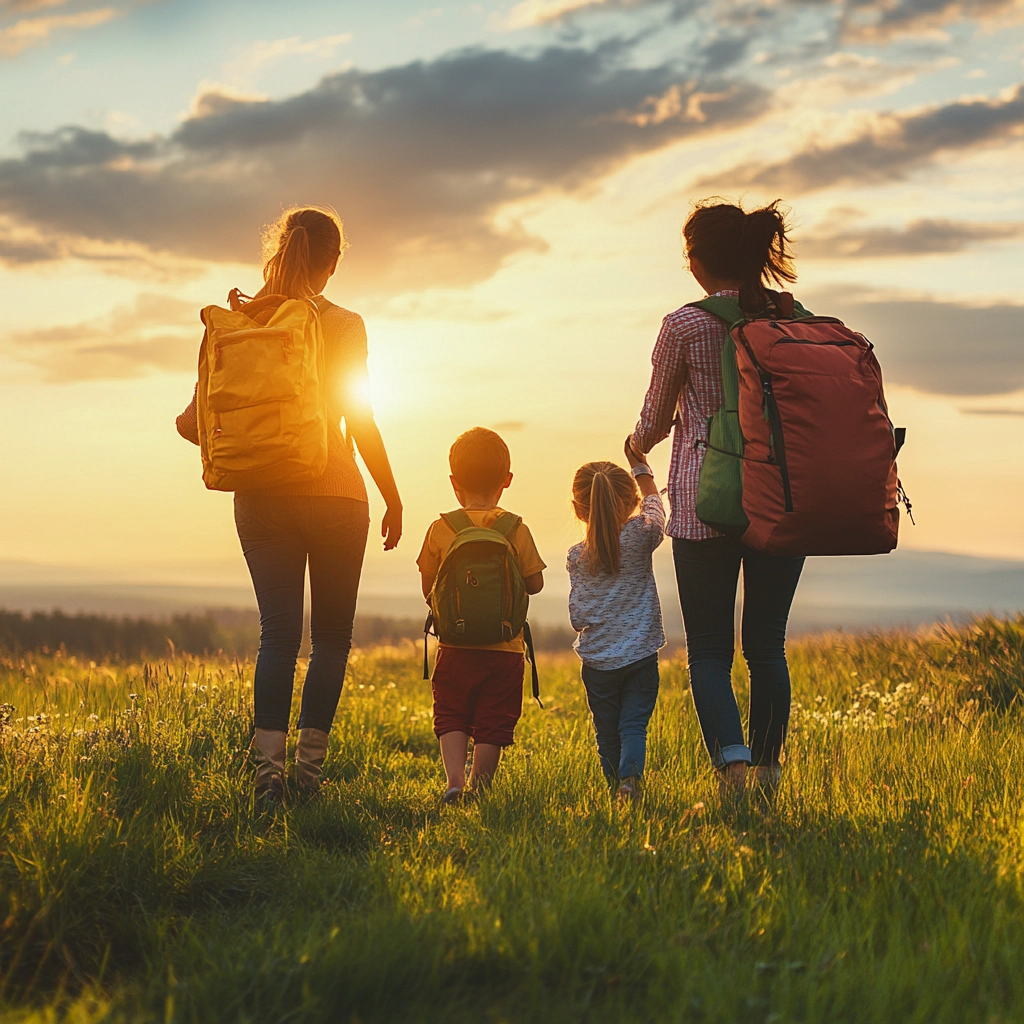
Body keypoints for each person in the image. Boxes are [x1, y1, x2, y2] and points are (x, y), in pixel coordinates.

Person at [176, 205, 403, 801]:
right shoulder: (345, 323)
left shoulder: (236, 321)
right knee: (330, 638)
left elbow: (190, 424)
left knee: (277, 636)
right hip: (335, 495)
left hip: (260, 500)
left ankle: (267, 776)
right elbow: (360, 416)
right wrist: (391, 493)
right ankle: (309, 774)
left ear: (277, 252)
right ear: (330, 265)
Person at [628, 198, 805, 800]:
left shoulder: (685, 324)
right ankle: (770, 773)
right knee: (767, 644)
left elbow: (653, 420)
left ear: (699, 260)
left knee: (707, 648)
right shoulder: (790, 319)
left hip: (706, 505)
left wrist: (635, 447)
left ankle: (732, 773)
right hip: (780, 502)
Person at [417, 428, 545, 804]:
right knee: (494, 720)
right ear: (506, 481)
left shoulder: (441, 528)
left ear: (454, 483)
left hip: (453, 645)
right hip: (504, 649)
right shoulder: (515, 528)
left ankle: (454, 783)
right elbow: (534, 584)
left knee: (452, 713)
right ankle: (479, 789)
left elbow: (429, 587)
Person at [567, 451, 665, 804]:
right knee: (633, 726)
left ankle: (614, 791)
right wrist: (641, 470)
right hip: (640, 657)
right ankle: (630, 782)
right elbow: (656, 509)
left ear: (579, 509)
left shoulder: (577, 557)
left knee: (606, 732)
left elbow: (578, 615)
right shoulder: (642, 537)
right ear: (631, 502)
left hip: (597, 664)